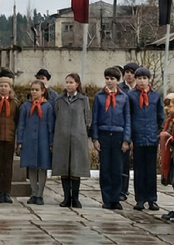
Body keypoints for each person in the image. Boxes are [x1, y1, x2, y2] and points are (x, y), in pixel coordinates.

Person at [93, 67, 132, 210]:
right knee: (105, 168)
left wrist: (126, 139)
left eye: (112, 79)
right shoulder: (99, 96)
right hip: (104, 134)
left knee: (117, 168)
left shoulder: (123, 97)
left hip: (118, 134)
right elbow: (95, 118)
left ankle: (116, 198)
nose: (109, 81)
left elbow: (127, 118)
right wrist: (95, 138)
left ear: (118, 80)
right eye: (107, 78)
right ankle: (107, 198)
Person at [51, 73, 91, 209]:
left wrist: (84, 133)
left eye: (71, 82)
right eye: (66, 82)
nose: (68, 85)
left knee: (76, 168)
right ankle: (66, 197)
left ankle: (76, 197)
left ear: (77, 84)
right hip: (62, 138)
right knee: (64, 168)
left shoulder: (83, 100)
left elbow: (87, 118)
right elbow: (55, 116)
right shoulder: (59, 100)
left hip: (78, 139)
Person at [129, 67, 164, 210]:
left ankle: (152, 198)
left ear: (149, 80)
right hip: (137, 137)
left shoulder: (156, 96)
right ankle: (140, 198)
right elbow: (128, 116)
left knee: (151, 169)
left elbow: (160, 115)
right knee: (139, 169)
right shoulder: (131, 96)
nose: (142, 81)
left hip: (151, 136)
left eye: (144, 78)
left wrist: (159, 132)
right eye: (139, 78)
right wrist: (130, 137)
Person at [17, 81, 55, 205]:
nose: (34, 92)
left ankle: (40, 194)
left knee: (42, 167)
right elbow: (21, 125)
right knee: (31, 166)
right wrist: (20, 141)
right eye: (32, 89)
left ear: (42, 91)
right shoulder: (25, 106)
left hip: (43, 140)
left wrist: (51, 142)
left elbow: (50, 125)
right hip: (29, 140)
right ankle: (33, 192)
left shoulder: (48, 106)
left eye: (36, 90)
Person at [0, 76, 18, 203]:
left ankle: (7, 191)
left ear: (10, 88)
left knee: (8, 166)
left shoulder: (15, 103)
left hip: (10, 137)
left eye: (6, 86)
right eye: (1, 86)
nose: (3, 88)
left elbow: (16, 120)